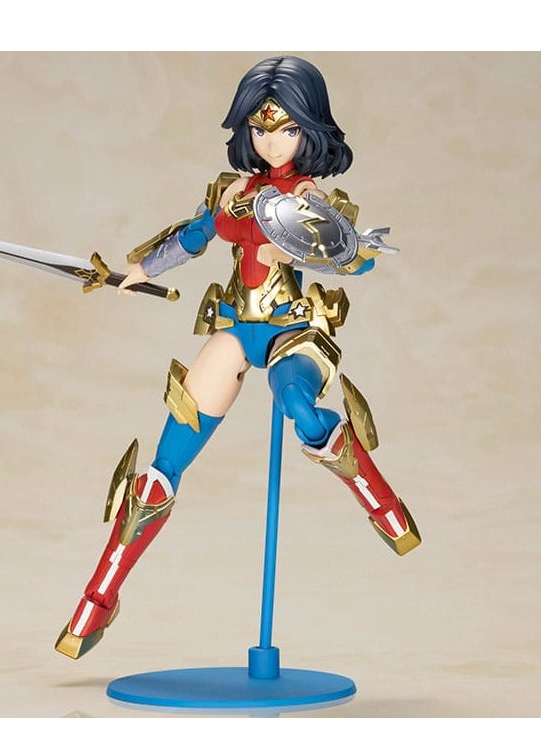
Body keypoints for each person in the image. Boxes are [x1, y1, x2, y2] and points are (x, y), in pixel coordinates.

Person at [55, 56, 421, 660]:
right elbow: (194, 236)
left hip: (291, 331)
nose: (272, 141)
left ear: (309, 129)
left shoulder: (309, 197)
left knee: (297, 403)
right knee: (160, 471)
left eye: (287, 128)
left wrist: (320, 247)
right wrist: (138, 271)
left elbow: (354, 260)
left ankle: (380, 501)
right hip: (236, 327)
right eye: (260, 128)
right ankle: (99, 598)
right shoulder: (234, 193)